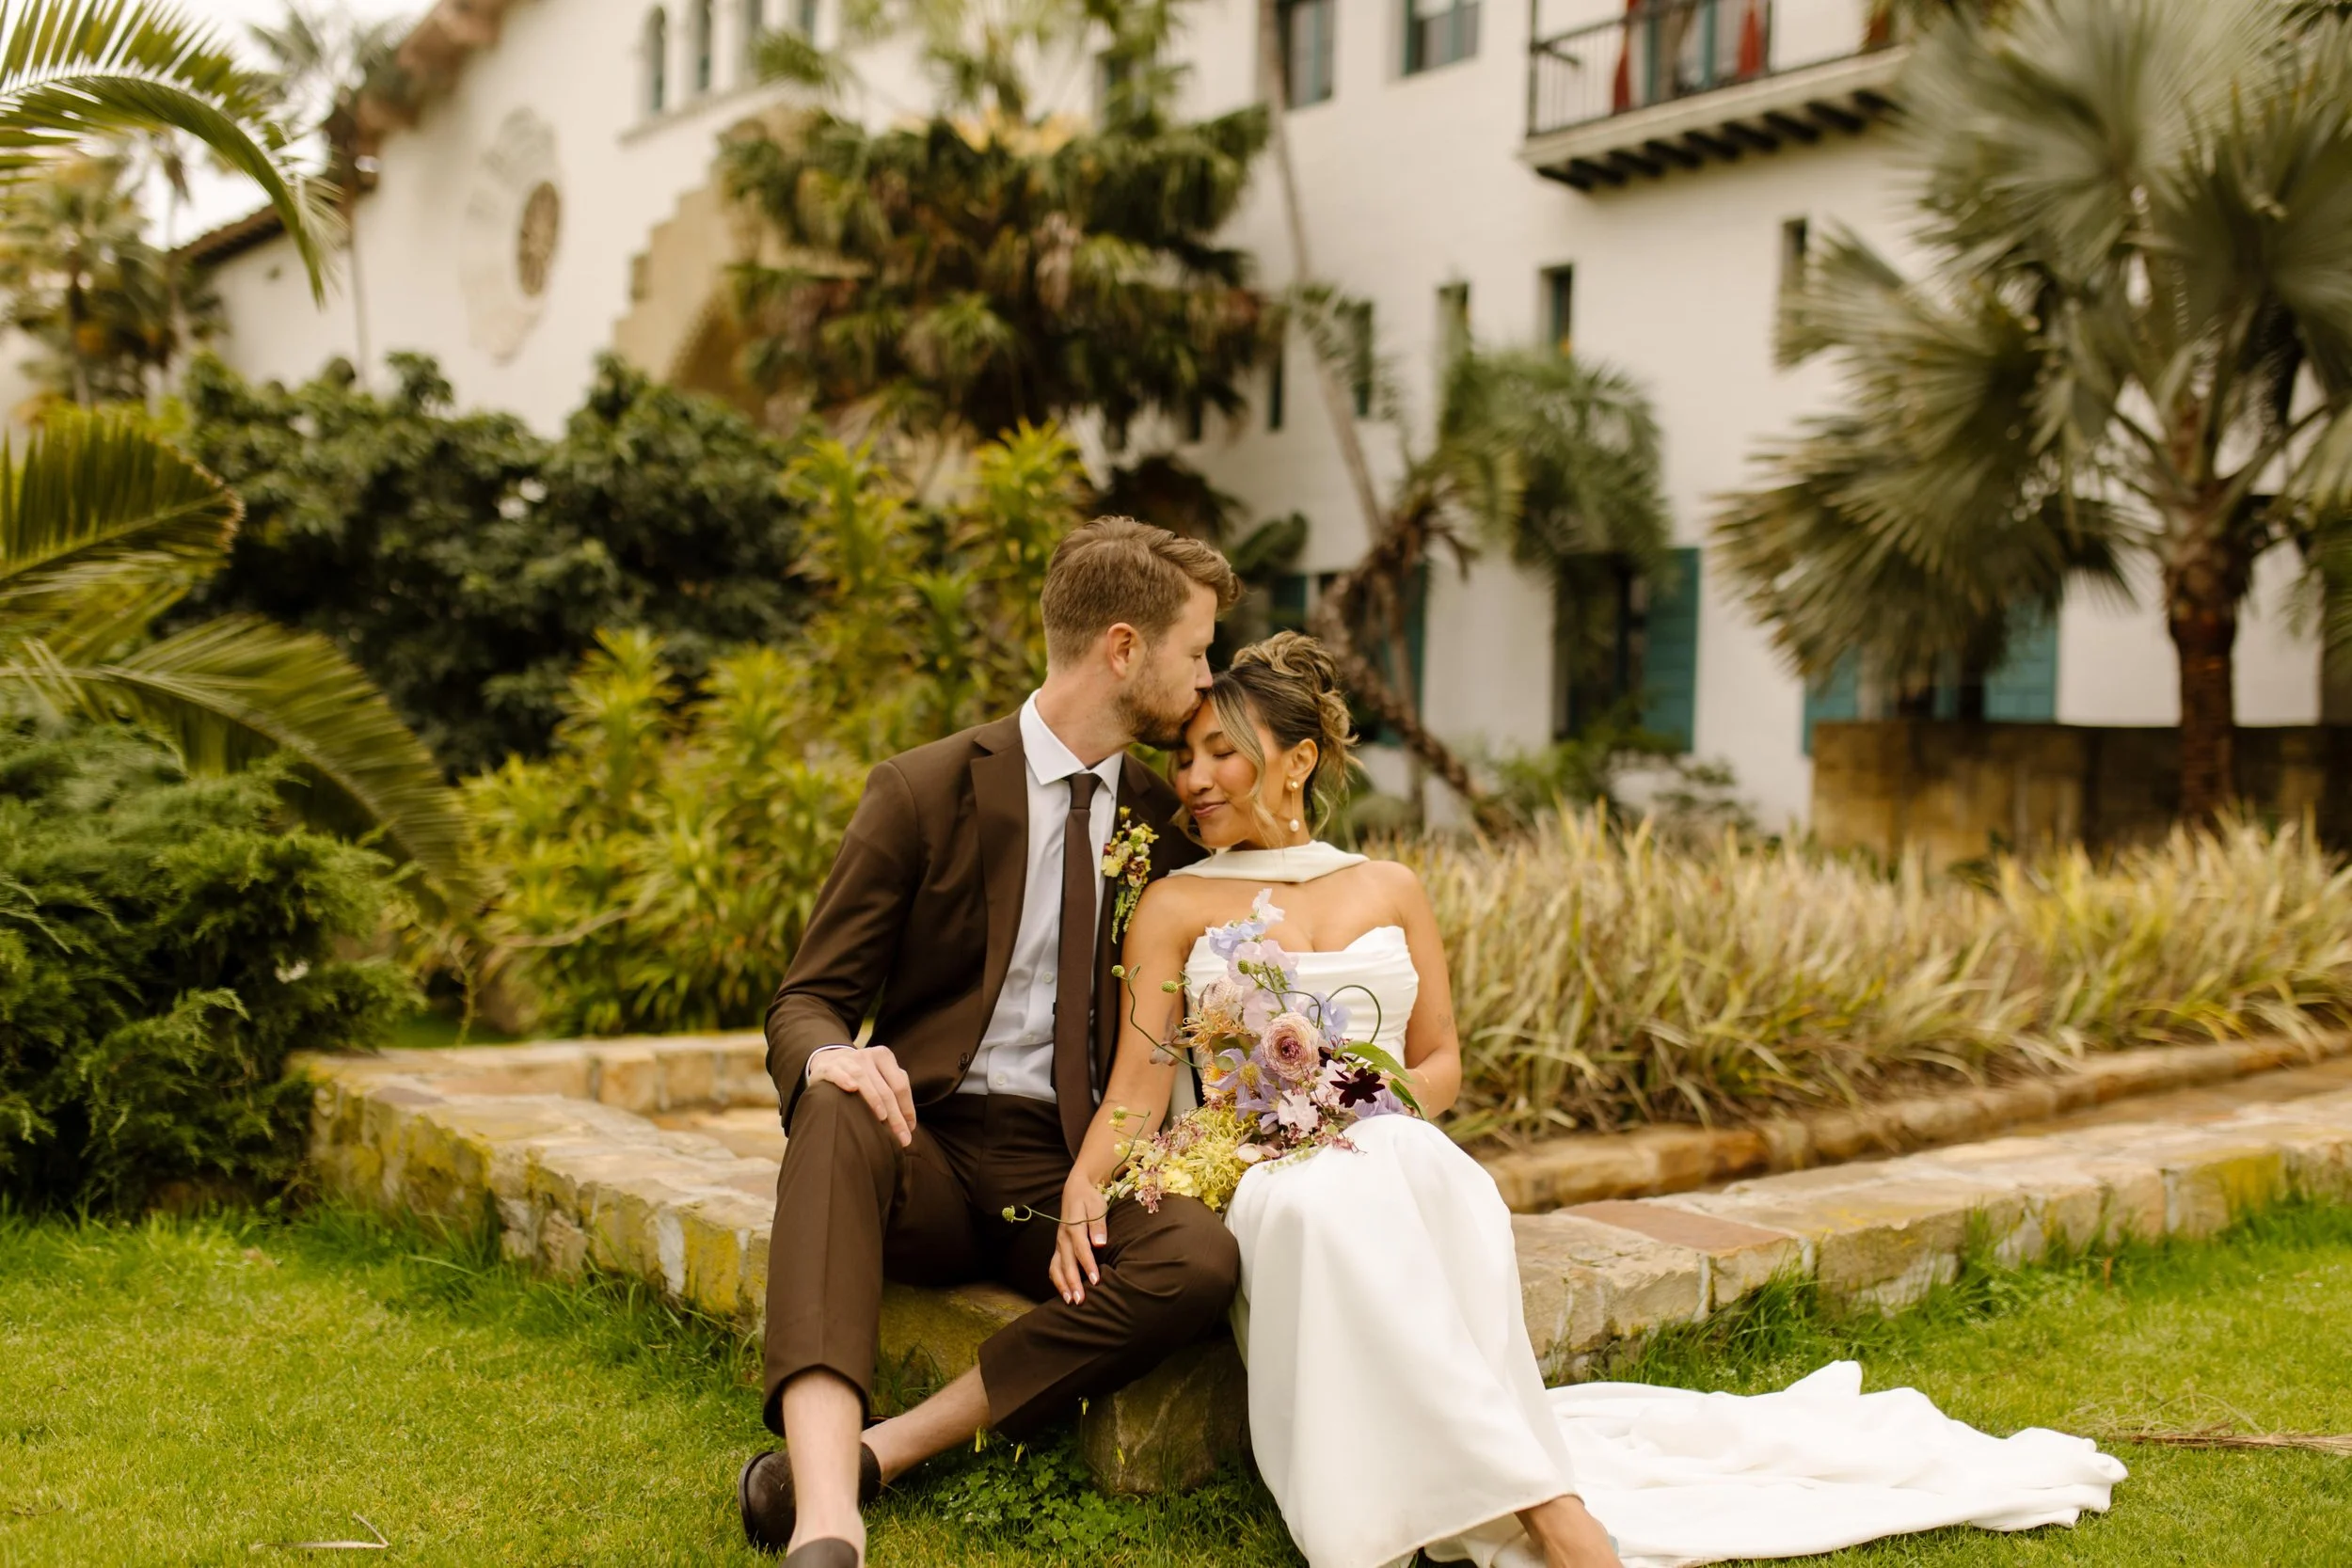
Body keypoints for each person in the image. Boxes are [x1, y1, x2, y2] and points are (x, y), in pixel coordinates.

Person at [1064, 631, 2128, 1568]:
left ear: (1295, 759)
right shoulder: (1172, 901)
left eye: (1219, 751)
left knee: (1409, 1179)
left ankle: (1516, 1492)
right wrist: (1084, 1189)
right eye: (1184, 755)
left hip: (1390, 1144)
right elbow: (1139, 1085)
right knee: (1318, 1207)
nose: (1193, 778)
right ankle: (1551, 1509)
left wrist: (1357, 1105)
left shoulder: (1388, 886)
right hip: (1263, 1170)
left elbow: (1440, 1062)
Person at [739, 517, 1247, 1566]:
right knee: (835, 1097)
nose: (1205, 682)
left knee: (1197, 1258)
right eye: (1195, 651)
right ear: (1122, 647)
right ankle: (829, 1523)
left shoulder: (1165, 821)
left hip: (1064, 1173)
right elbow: (807, 997)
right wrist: (828, 1052)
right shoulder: (920, 789)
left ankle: (885, 1451)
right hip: (917, 1148)